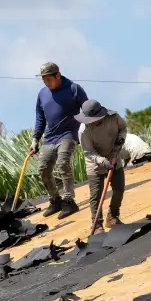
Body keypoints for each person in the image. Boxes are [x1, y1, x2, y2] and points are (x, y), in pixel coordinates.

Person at [32, 61, 88, 219]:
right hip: (50, 138)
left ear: (58, 75)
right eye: (44, 80)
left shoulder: (73, 88)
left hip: (68, 134)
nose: (46, 83)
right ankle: (55, 200)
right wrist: (35, 139)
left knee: (63, 163)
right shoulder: (42, 93)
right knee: (43, 169)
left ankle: (69, 201)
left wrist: (91, 129)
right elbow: (40, 118)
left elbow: (88, 109)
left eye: (49, 79)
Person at [76, 99, 127, 231]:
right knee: (96, 195)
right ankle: (97, 224)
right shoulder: (84, 131)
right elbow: (89, 152)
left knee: (119, 188)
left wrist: (120, 140)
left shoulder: (114, 117)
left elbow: (123, 129)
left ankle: (113, 217)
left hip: (114, 155)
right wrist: (103, 162)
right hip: (95, 163)